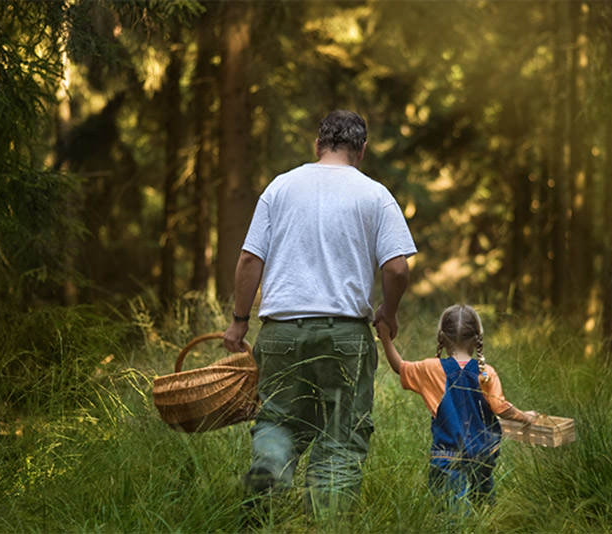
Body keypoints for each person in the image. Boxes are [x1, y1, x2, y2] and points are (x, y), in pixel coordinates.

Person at [222, 110, 417, 516]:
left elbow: (248, 259)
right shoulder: (375, 195)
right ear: (361, 150)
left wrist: (240, 321)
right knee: (340, 436)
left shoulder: (280, 188)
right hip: (345, 335)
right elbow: (397, 268)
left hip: (280, 332)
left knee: (277, 419)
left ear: (318, 144)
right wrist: (389, 311)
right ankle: (323, 523)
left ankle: (272, 466)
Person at [375, 304, 537, 512]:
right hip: (484, 452)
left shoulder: (432, 369)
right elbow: (501, 408)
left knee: (451, 511)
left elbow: (400, 367)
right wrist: (526, 417)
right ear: (477, 337)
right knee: (484, 504)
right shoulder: (486, 372)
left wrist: (386, 338)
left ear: (442, 337)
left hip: (448, 455)